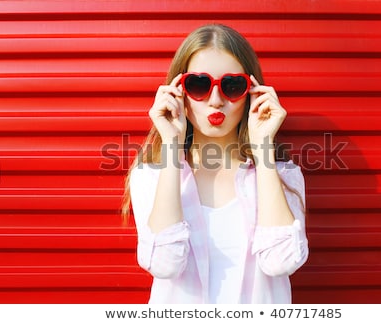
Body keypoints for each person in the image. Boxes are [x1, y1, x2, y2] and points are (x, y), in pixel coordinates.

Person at [122, 23, 309, 304]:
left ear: (252, 93)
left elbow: (281, 262)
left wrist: (263, 148)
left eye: (232, 86)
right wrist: (171, 145)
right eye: (199, 84)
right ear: (178, 92)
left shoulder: (283, 176)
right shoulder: (150, 176)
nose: (215, 100)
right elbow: (164, 264)